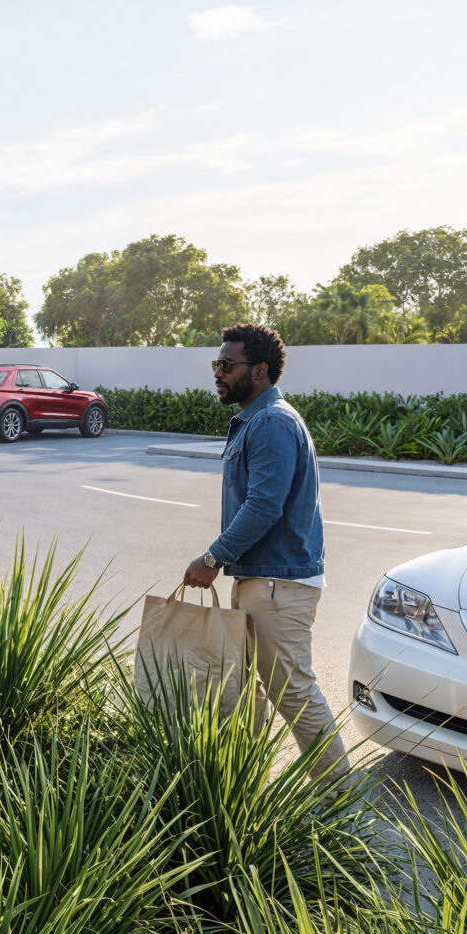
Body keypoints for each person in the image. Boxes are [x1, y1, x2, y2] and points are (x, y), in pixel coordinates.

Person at [179, 323, 348, 776]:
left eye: (226, 365)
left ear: (259, 370)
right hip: (261, 579)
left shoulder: (271, 422)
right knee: (245, 686)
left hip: (279, 583)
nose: (218, 373)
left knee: (292, 690)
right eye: (216, 364)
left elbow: (263, 507)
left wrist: (212, 558)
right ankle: (241, 780)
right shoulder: (256, 419)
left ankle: (340, 800)